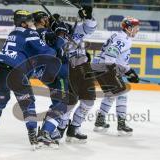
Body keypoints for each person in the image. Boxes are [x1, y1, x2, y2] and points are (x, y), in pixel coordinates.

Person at [0, 10, 60, 150]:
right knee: (28, 105)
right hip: (16, 72)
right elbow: (47, 52)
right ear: (23, 23)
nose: (31, 24)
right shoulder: (29, 33)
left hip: (0, 72)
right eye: (29, 21)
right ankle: (32, 137)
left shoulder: (12, 34)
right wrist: (56, 46)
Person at [52, 5, 97, 143]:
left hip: (84, 68)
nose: (64, 28)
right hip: (68, 69)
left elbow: (90, 28)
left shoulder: (77, 29)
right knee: (70, 101)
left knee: (89, 100)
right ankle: (61, 127)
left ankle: (75, 127)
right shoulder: (53, 37)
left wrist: (88, 16)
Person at [92, 16, 140, 136]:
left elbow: (120, 60)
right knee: (122, 94)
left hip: (99, 66)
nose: (137, 30)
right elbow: (111, 53)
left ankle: (100, 121)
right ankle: (121, 125)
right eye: (135, 27)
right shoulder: (124, 39)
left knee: (111, 94)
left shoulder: (118, 35)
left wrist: (130, 71)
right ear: (128, 28)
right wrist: (112, 69)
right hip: (105, 67)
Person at [31, 10, 70, 148]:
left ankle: (47, 131)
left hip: (46, 71)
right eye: (46, 19)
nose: (48, 20)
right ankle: (45, 132)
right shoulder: (41, 33)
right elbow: (58, 42)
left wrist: (59, 27)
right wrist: (60, 30)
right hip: (55, 71)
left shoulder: (37, 33)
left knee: (58, 102)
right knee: (63, 103)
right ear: (41, 20)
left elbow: (58, 38)